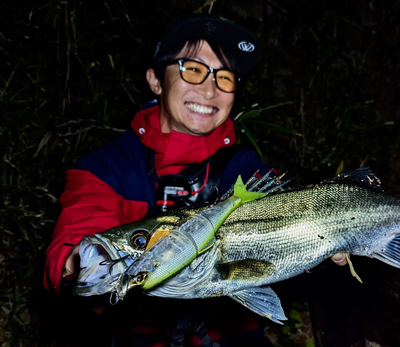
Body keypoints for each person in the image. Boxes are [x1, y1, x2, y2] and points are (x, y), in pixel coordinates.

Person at [44, 14, 347, 347]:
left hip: (231, 337)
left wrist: (331, 235)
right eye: (192, 68)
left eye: (225, 76)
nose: (209, 89)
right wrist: (80, 263)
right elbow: (75, 236)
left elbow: (296, 218)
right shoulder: (106, 168)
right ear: (156, 80)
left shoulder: (245, 171)